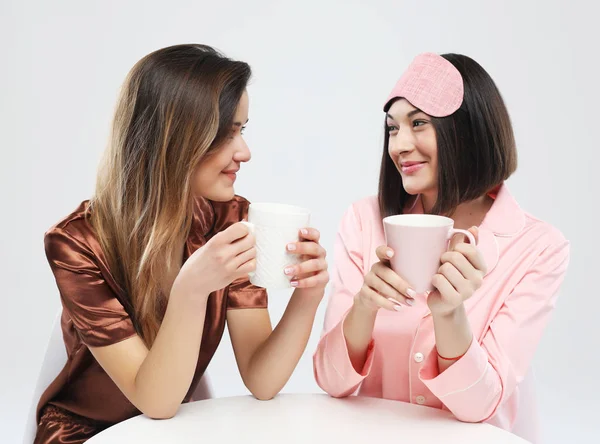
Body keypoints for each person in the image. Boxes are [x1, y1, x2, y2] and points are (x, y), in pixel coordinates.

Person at [36, 44, 329, 444]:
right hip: (87, 432)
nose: (244, 152)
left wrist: (308, 296)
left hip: (172, 429)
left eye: (242, 130)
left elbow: (261, 380)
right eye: (225, 134)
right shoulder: (76, 243)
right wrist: (191, 289)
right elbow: (153, 401)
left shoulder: (231, 221)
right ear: (173, 141)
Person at [313, 52, 569, 442]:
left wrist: (449, 315)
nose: (399, 145)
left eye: (418, 123)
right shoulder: (364, 220)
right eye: (392, 128)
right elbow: (332, 382)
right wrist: (363, 307)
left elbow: (480, 405)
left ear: (468, 131)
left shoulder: (538, 247)